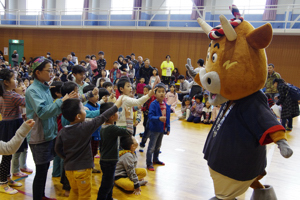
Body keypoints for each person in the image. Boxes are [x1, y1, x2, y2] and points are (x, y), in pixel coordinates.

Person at [25, 56, 77, 200]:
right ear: (38, 72)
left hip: (48, 133)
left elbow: (52, 110)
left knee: (44, 169)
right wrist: (62, 101)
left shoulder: (45, 86)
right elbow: (43, 112)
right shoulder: (33, 90)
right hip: (38, 136)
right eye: (49, 70)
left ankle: (41, 195)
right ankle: (38, 197)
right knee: (41, 171)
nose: (52, 73)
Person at [55, 97, 122, 200]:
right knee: (84, 196)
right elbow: (102, 117)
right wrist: (116, 106)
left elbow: (58, 149)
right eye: (83, 109)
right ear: (78, 116)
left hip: (69, 169)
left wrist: (67, 157)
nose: (85, 110)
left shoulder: (63, 131)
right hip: (82, 171)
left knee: (74, 191)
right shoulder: (85, 127)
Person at [96, 102, 132, 200]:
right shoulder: (111, 128)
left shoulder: (105, 127)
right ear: (112, 116)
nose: (119, 114)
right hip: (109, 161)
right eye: (117, 112)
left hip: (106, 160)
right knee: (106, 184)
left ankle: (109, 198)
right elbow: (129, 132)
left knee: (109, 181)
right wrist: (128, 117)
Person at [0, 69, 27, 194]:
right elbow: (26, 103)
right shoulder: (12, 95)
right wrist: (26, 92)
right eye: (14, 79)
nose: (16, 81)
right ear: (6, 82)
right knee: (7, 156)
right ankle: (3, 183)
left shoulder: (4, 94)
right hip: (12, 126)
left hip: (6, 125)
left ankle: (7, 178)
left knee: (8, 155)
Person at [11, 78, 33, 178]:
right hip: (17, 125)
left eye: (23, 85)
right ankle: (15, 170)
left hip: (24, 124)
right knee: (17, 149)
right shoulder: (15, 98)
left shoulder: (22, 97)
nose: (23, 87)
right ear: (14, 89)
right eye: (20, 86)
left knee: (24, 147)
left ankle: (22, 166)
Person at [146, 83, 171, 171]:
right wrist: (159, 118)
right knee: (151, 147)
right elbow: (150, 117)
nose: (161, 93)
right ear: (155, 93)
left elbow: (168, 118)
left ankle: (155, 159)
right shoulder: (153, 104)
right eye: (159, 92)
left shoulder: (166, 104)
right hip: (154, 129)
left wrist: (168, 128)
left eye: (163, 91)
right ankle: (149, 163)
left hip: (162, 129)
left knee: (158, 146)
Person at [83, 85, 102, 173]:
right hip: (90, 134)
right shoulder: (86, 107)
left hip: (97, 133)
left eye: (98, 94)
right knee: (88, 152)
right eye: (95, 94)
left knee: (94, 151)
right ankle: (87, 167)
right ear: (89, 97)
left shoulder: (98, 105)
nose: (97, 96)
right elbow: (89, 118)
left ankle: (92, 166)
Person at [50, 81, 64, 178]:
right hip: (60, 131)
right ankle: (63, 174)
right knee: (62, 154)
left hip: (56, 132)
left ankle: (56, 173)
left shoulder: (54, 102)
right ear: (57, 93)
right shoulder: (59, 102)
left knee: (57, 154)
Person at [139, 85, 156, 152]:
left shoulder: (153, 98)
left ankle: (154, 147)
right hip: (146, 116)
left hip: (152, 117)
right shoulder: (144, 98)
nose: (145, 92)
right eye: (144, 91)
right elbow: (142, 106)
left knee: (153, 133)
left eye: (147, 91)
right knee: (146, 132)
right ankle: (142, 145)